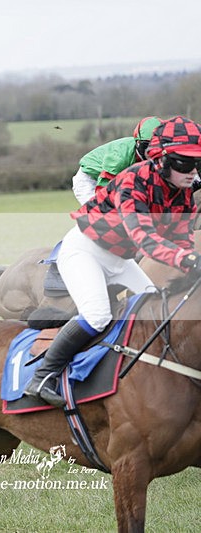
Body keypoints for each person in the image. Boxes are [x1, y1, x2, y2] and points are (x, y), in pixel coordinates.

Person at [24, 116, 201, 407]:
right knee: (97, 316)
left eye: (197, 164)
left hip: (119, 257)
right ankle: (44, 375)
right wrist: (187, 258)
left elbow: (180, 241)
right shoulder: (133, 180)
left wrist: (191, 262)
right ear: (162, 159)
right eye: (184, 163)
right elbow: (145, 237)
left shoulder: (182, 194)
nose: (193, 173)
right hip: (86, 250)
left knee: (153, 307)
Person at [71, 116, 162, 205]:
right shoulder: (120, 158)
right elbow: (103, 187)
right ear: (138, 143)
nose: (153, 150)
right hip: (90, 179)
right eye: (149, 145)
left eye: (157, 145)